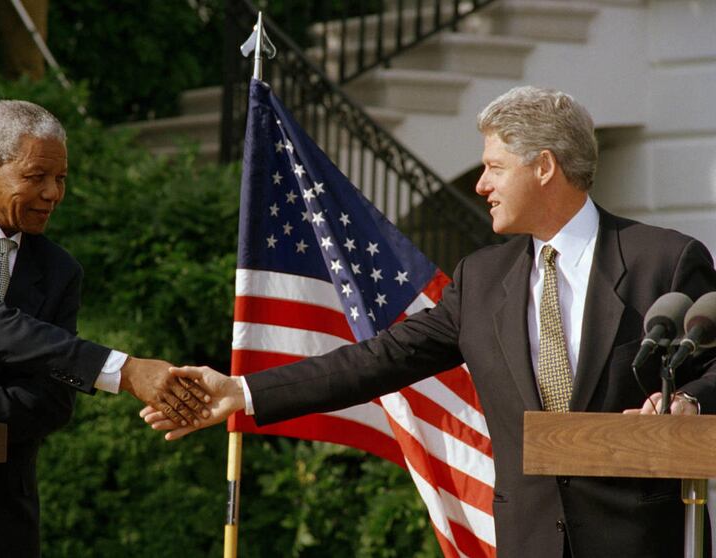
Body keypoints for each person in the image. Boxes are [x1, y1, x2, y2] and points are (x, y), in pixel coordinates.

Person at [143, 86, 716, 558]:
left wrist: (690, 401)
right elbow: (377, 360)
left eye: (494, 167)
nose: (481, 185)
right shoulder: (482, 278)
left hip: (644, 541)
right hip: (528, 541)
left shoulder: (665, 260)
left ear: (544, 166)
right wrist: (242, 391)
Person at [0, 100, 208, 557]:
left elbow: (52, 400)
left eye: (61, 178)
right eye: (37, 177)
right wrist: (124, 370)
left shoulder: (59, 271)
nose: (53, 193)